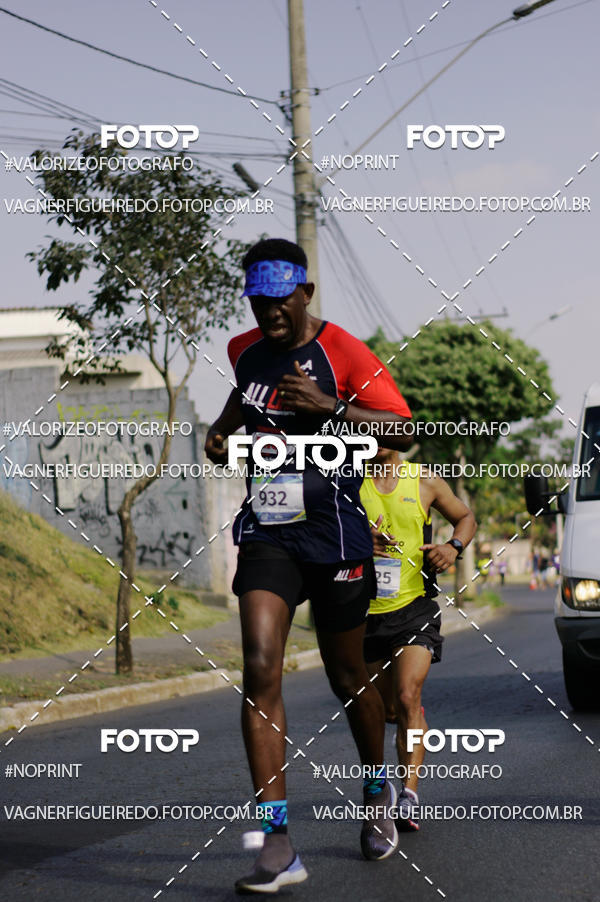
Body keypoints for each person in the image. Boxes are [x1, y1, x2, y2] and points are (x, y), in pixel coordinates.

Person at [205, 238, 413, 892]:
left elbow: (404, 430)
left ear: (305, 294)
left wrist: (332, 408)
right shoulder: (244, 351)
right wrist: (220, 433)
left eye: (280, 301)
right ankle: (277, 844)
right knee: (260, 666)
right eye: (258, 301)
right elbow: (241, 403)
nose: (269, 312)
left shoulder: (343, 351)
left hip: (337, 534)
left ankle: (377, 792)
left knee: (349, 676)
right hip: (270, 531)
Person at [360, 447, 476, 831]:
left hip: (414, 607)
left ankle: (408, 794)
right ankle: (408, 733)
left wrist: (452, 547)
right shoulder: (346, 480)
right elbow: (322, 531)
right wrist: (359, 540)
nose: (376, 436)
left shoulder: (423, 479)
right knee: (388, 711)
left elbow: (465, 517)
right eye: (368, 427)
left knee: (408, 695)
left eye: (386, 427)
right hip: (364, 612)